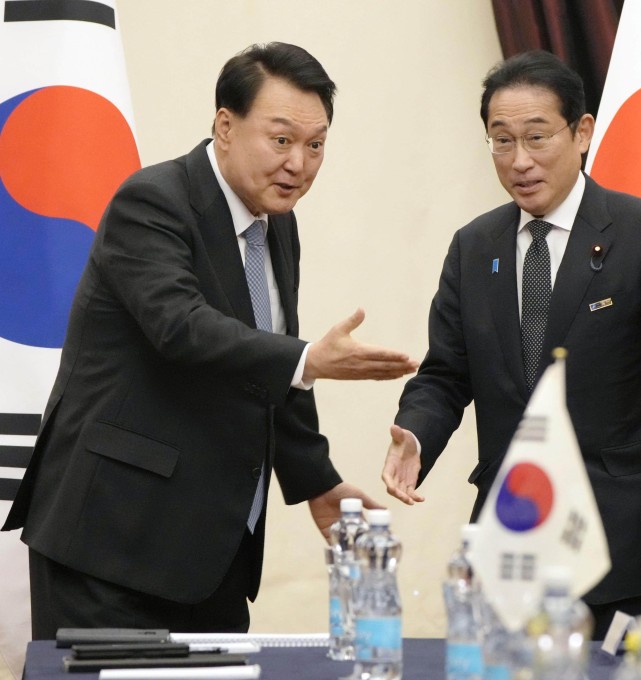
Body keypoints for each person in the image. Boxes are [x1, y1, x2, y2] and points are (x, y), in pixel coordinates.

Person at [1, 42, 418, 639]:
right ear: (225, 125)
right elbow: (182, 328)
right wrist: (307, 359)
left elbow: (266, 360)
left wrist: (317, 481)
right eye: (281, 140)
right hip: (110, 543)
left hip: (211, 550)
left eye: (316, 144)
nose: (298, 163)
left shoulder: (277, 226)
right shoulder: (154, 200)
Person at [382, 50, 641, 639]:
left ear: (581, 133)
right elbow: (447, 374)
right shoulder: (474, 247)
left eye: (537, 137)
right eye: (501, 141)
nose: (519, 160)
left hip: (626, 546)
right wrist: (416, 433)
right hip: (513, 544)